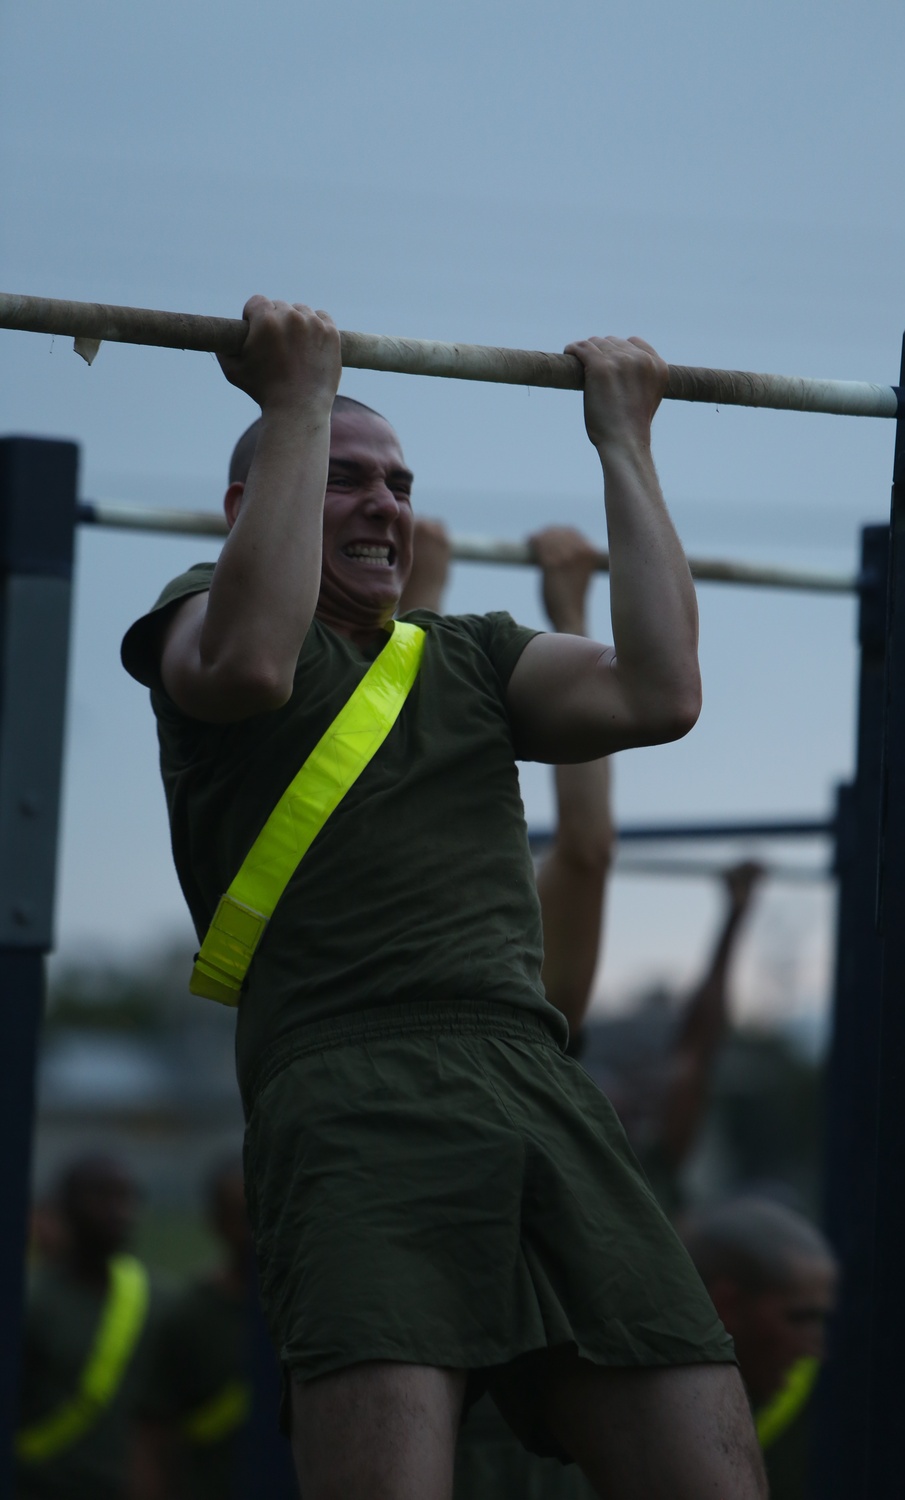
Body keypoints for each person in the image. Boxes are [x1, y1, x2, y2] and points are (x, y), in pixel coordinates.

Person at [121, 295, 766, 1500]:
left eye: (401, 483)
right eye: (346, 477)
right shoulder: (201, 619)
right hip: (353, 1088)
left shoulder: (463, 653)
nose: (385, 503)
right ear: (246, 509)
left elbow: (661, 693)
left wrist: (624, 441)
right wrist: (296, 396)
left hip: (532, 1080)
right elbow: (255, 659)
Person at [400, 519, 609, 1500]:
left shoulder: (535, 997)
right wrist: (566, 605)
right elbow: (393, 787)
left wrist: (428, 597)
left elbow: (579, 853)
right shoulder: (417, 962)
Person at [617, 861, 764, 1214]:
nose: (641, 1096)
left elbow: (697, 1045)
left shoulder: (650, 1172)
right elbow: (696, 1047)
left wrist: (735, 916)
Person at [681, 1196, 837, 1500]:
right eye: (798, 1318)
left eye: (820, 1319)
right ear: (726, 1304)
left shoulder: (824, 1415)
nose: (815, 1348)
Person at [16, 1155, 153, 1500]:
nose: (118, 1211)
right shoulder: (31, 1303)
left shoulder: (164, 1303)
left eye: (126, 1198)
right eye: (101, 1198)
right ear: (64, 1209)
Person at [129, 1161, 253, 1500]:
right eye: (242, 1216)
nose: (258, 1228)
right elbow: (151, 1437)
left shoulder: (314, 1309)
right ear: (215, 1222)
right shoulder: (187, 1316)